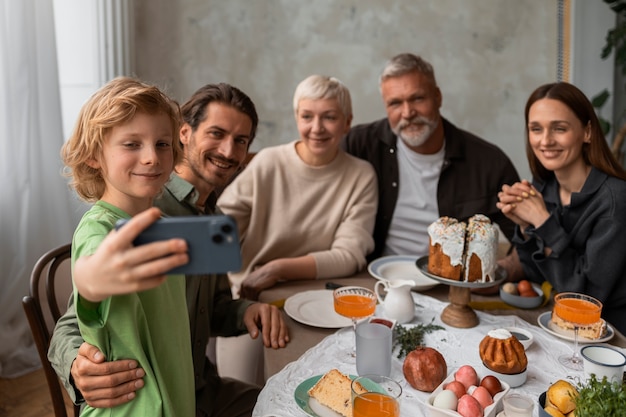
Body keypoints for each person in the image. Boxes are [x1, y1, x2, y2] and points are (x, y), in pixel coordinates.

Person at [49, 83, 290, 417]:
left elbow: (209, 308)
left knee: (289, 401)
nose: (229, 151)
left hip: (194, 390)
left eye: (241, 141)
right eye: (217, 133)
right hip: (143, 400)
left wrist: (245, 311)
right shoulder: (137, 206)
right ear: (185, 135)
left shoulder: (208, 219)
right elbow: (81, 310)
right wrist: (78, 365)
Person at [213, 75, 377, 384]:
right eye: (307, 116)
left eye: (329, 117)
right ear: (296, 118)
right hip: (253, 295)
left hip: (320, 299)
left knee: (319, 388)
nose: (317, 128)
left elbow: (349, 255)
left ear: (347, 122)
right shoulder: (268, 163)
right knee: (241, 387)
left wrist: (277, 268)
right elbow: (221, 224)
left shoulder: (361, 175)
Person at [58, 76, 195, 416]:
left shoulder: (162, 226)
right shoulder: (98, 228)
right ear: (93, 156)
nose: (151, 157)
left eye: (162, 144)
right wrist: (91, 279)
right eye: (132, 144)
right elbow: (89, 275)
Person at [341, 53, 520, 261]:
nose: (407, 113)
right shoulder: (360, 145)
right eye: (395, 103)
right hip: (376, 276)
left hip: (453, 285)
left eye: (417, 98)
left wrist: (505, 272)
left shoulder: (488, 162)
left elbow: (528, 239)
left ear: (438, 97)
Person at [496, 82, 626, 335]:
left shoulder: (614, 200)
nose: (545, 140)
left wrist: (543, 223)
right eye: (536, 129)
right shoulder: (545, 188)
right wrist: (524, 226)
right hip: (560, 326)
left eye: (559, 128)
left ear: (587, 132)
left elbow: (586, 299)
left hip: (611, 338)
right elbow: (537, 271)